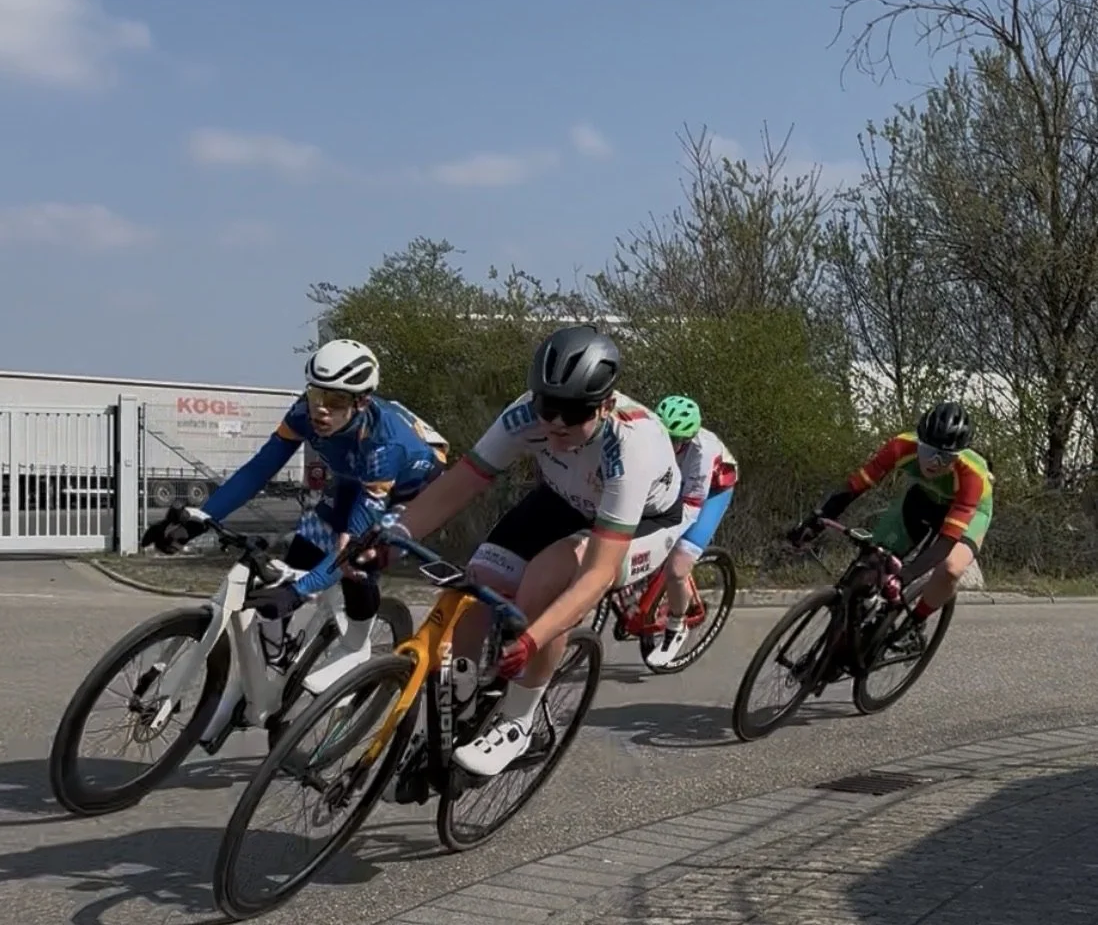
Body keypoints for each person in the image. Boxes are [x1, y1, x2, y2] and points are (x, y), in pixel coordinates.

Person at [393, 324, 682, 777]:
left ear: (606, 405)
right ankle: (465, 694)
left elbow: (597, 573)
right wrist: (396, 532)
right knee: (480, 580)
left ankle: (520, 722)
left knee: (545, 584)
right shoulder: (524, 416)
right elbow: (462, 482)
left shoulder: (632, 444)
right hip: (563, 500)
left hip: (642, 520)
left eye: (576, 411)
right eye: (550, 408)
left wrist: (531, 638)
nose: (559, 424)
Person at [142, 340, 447, 688]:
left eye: (335, 402)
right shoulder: (304, 413)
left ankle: (356, 645)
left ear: (361, 403)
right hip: (353, 477)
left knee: (361, 556)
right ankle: (279, 649)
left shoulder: (385, 444)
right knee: (304, 547)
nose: (321, 411)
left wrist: (300, 591)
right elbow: (258, 471)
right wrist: (199, 519)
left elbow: (350, 545)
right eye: (317, 395)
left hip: (413, 491)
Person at [791, 399, 992, 629]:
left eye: (946, 457)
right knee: (873, 559)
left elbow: (947, 541)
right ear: (919, 442)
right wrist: (819, 518)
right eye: (929, 452)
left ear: (959, 455)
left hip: (972, 510)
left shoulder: (972, 476)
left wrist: (904, 577)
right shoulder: (901, 447)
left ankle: (915, 622)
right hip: (924, 498)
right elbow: (856, 485)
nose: (935, 463)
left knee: (950, 568)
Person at [640, 396, 739, 670]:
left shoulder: (702, 451)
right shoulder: (648, 437)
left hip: (712, 493)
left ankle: (677, 626)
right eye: (667, 438)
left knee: (678, 566)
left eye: (679, 440)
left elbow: (691, 506)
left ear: (691, 437)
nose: (672, 445)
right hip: (677, 486)